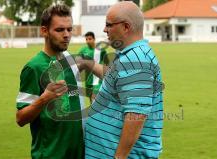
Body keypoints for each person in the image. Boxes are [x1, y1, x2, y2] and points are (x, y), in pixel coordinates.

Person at [78, 1, 163, 159]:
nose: (105, 29)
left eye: (109, 25)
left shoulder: (135, 61)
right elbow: (117, 79)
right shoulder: (133, 55)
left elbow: (136, 114)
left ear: (125, 27)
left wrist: (119, 157)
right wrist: (88, 64)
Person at [16, 4, 84, 159]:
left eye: (69, 29)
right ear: (44, 31)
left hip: (78, 153)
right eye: (60, 30)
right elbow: (20, 118)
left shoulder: (70, 61)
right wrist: (44, 99)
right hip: (50, 154)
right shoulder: (33, 67)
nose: (66, 34)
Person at [78, 31, 108, 102]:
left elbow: (106, 63)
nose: (88, 41)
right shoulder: (83, 50)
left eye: (90, 39)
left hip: (97, 79)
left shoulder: (100, 50)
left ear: (94, 39)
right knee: (90, 100)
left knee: (95, 98)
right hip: (88, 79)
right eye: (86, 39)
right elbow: (78, 62)